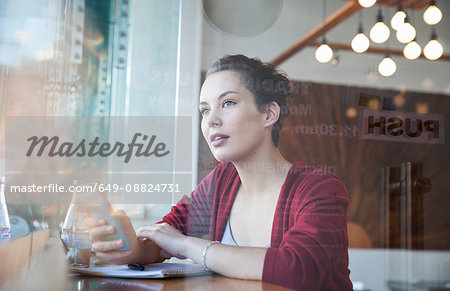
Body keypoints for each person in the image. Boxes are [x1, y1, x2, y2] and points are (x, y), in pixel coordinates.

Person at [88, 54, 352, 290]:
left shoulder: (320, 188)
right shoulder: (220, 182)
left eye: (227, 103)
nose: (211, 120)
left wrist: (186, 245)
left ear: (269, 114)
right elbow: (164, 237)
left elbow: (296, 271)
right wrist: (127, 248)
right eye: (204, 109)